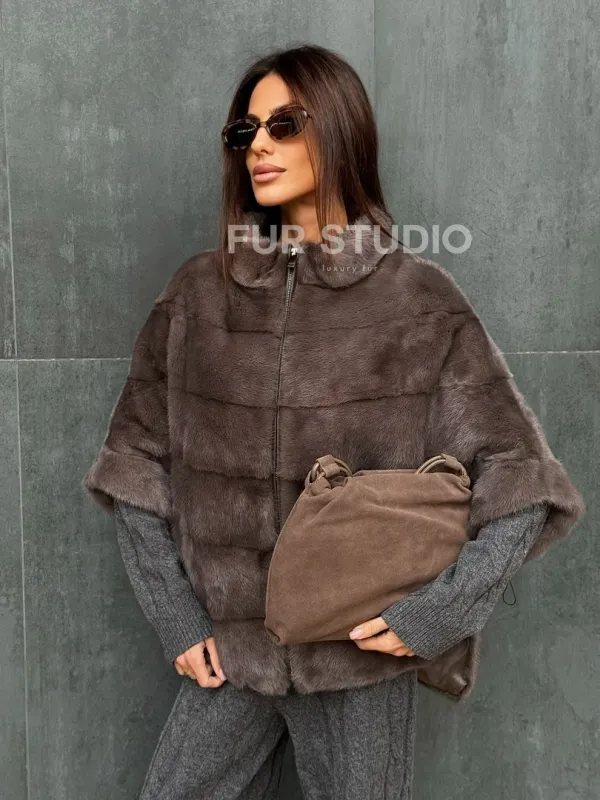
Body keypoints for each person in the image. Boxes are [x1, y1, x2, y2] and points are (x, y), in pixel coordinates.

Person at [83, 44, 584, 799]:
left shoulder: (417, 301)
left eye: (284, 124)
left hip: (358, 658)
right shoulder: (197, 298)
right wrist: (177, 618)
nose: (258, 145)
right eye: (245, 131)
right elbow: (133, 467)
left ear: (340, 129)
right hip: (230, 657)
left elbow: (522, 483)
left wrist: (436, 614)